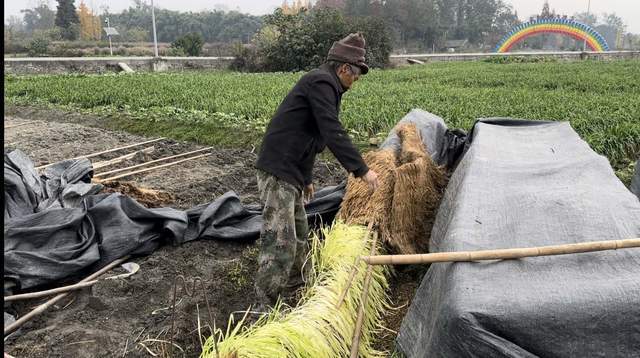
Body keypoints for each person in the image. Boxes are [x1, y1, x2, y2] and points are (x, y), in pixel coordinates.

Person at [254, 32, 379, 308]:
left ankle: (299, 288)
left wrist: (307, 178)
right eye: (356, 75)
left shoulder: (328, 85)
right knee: (280, 242)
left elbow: (312, 136)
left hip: (292, 170)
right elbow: (331, 131)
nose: (356, 81)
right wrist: (361, 170)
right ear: (344, 68)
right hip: (278, 170)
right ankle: (265, 306)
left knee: (299, 232)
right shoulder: (322, 81)